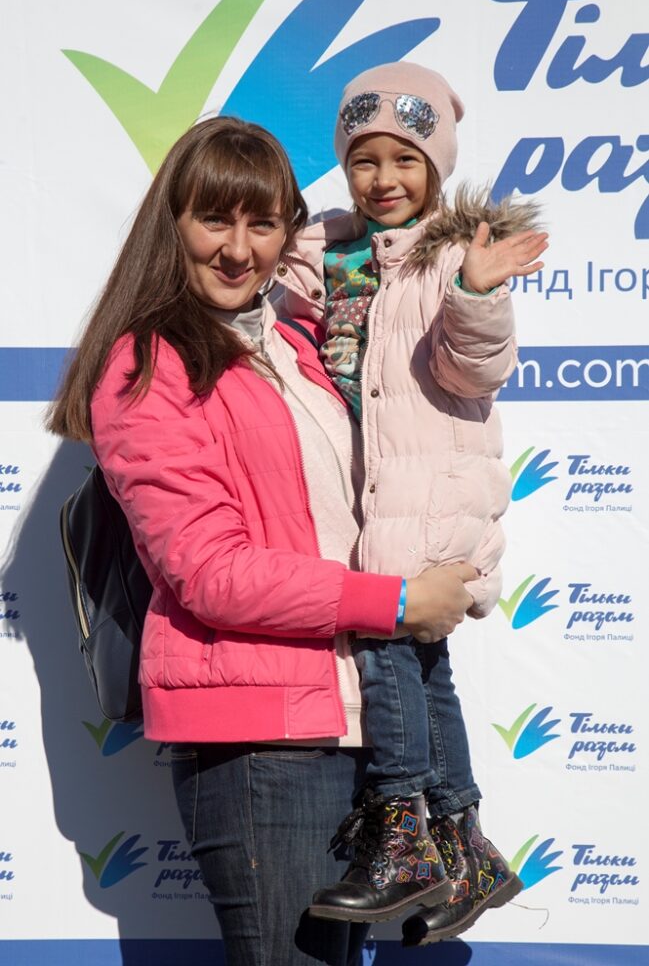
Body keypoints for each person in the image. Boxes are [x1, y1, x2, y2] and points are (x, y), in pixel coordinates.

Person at [46, 115, 480, 966]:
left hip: (355, 723)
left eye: (263, 223)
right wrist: (396, 602)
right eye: (215, 219)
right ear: (172, 224)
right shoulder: (147, 366)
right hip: (261, 745)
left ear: (290, 232)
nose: (239, 249)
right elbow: (208, 572)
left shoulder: (294, 342)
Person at [275, 62, 549, 944]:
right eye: (364, 160)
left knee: (386, 643)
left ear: (435, 166)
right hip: (370, 490)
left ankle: (402, 834)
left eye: (404, 159)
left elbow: (474, 369)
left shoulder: (449, 257)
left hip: (426, 490)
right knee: (423, 664)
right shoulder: (326, 250)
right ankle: (464, 843)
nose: (383, 178)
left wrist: (475, 294)